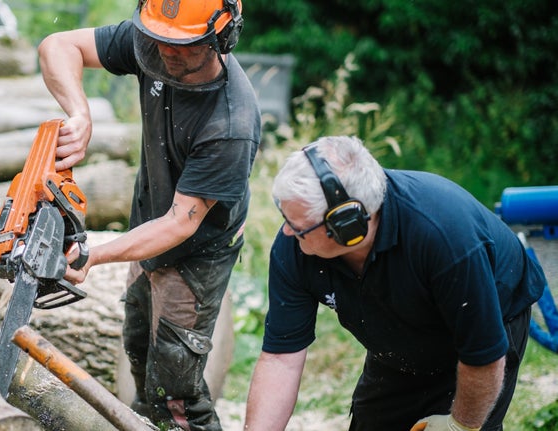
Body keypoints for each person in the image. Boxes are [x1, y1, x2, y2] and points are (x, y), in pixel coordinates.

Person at [37, 0, 261, 430]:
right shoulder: (154, 42)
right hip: (148, 226)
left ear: (221, 36)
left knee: (178, 393)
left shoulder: (231, 122)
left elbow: (181, 223)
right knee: (139, 352)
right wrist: (79, 113)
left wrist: (95, 256)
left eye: (185, 46)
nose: (168, 53)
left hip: (196, 254)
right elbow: (57, 45)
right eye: (160, 40)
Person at [243, 136, 547, 431]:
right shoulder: (296, 247)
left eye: (298, 227)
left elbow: (483, 354)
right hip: (398, 335)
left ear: (348, 226)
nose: (285, 232)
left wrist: (461, 425)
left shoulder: (443, 237)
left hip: (485, 317)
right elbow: (281, 359)